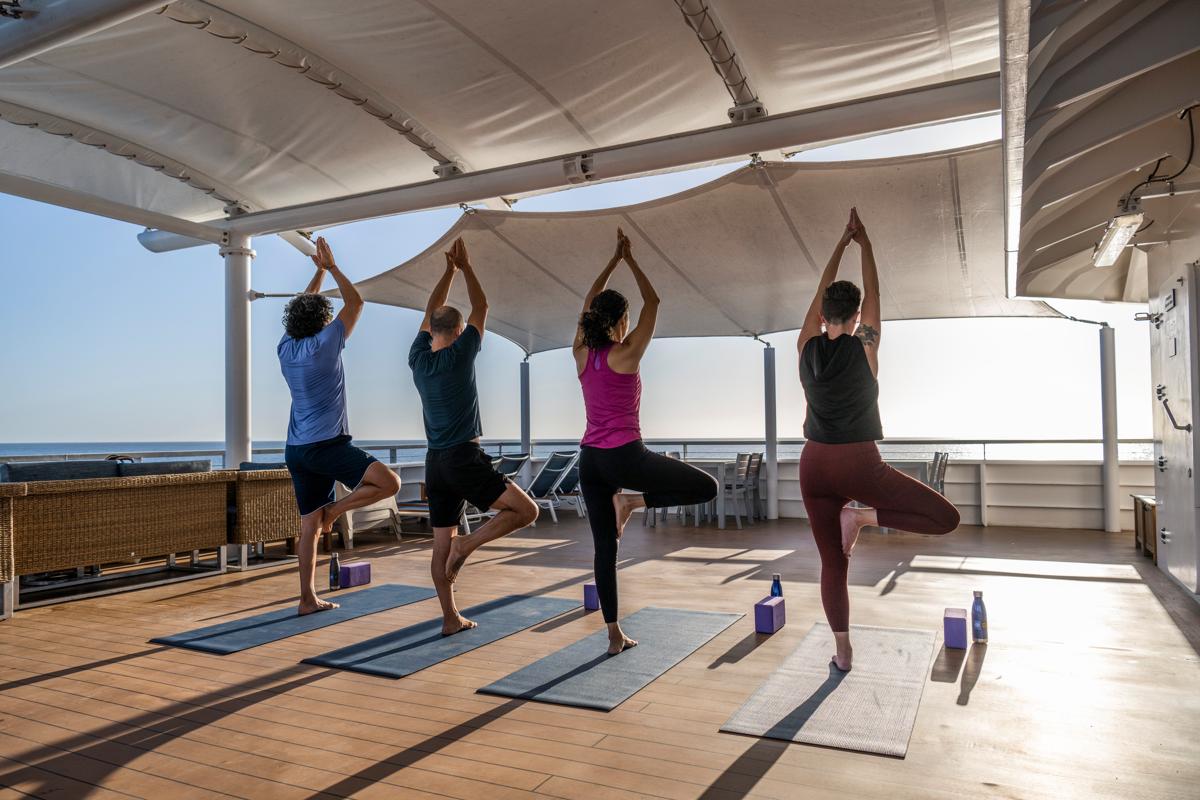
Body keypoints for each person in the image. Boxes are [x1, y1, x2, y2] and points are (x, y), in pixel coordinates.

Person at [797, 208, 960, 671]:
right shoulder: (866, 344)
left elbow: (820, 296)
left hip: (812, 465)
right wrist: (863, 243)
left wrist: (839, 247)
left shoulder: (805, 347)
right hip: (857, 464)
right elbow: (876, 294)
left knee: (833, 563)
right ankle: (864, 516)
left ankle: (843, 652)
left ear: (824, 314)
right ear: (855, 316)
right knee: (945, 518)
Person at [575, 228, 719, 655]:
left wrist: (609, 264)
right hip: (624, 458)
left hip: (589, 461)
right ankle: (634, 502)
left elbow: (587, 303)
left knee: (605, 548)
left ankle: (614, 634)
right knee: (706, 487)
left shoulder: (581, 354)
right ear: (621, 321)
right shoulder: (627, 353)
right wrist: (629, 259)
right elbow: (653, 303)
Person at [409, 237, 539, 636]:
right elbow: (482, 307)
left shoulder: (416, 359)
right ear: (460, 330)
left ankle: (450, 618)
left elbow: (433, 315)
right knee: (526, 511)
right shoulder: (461, 353)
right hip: (464, 458)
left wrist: (448, 271)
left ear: (432, 329)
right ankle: (468, 546)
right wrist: (464, 267)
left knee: (438, 545)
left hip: (436, 462)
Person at [279, 237, 402, 616]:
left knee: (307, 527)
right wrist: (331, 267)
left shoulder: (285, 347)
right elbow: (356, 303)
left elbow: (305, 306)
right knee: (388, 483)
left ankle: (306, 598)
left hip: (296, 450)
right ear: (321, 321)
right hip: (327, 446)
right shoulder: (326, 342)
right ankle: (336, 511)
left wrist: (316, 272)